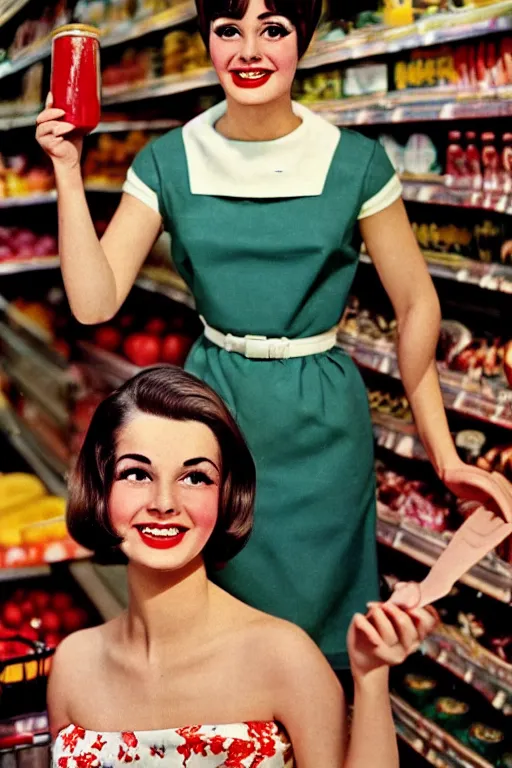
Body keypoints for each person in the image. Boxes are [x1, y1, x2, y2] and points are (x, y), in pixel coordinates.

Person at [35, 0, 511, 671]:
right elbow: (94, 301)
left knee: (325, 640)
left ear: (302, 41)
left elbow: (415, 304)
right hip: (211, 418)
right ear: (208, 41)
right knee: (215, 638)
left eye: (273, 30)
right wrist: (65, 168)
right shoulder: (170, 160)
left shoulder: (355, 163)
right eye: (229, 30)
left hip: (322, 424)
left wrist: (444, 456)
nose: (249, 50)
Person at [49, 365, 438, 768]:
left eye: (195, 478)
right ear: (100, 487)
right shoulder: (73, 665)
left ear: (227, 496)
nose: (164, 503)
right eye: (136, 473)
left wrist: (372, 681)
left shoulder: (286, 658)